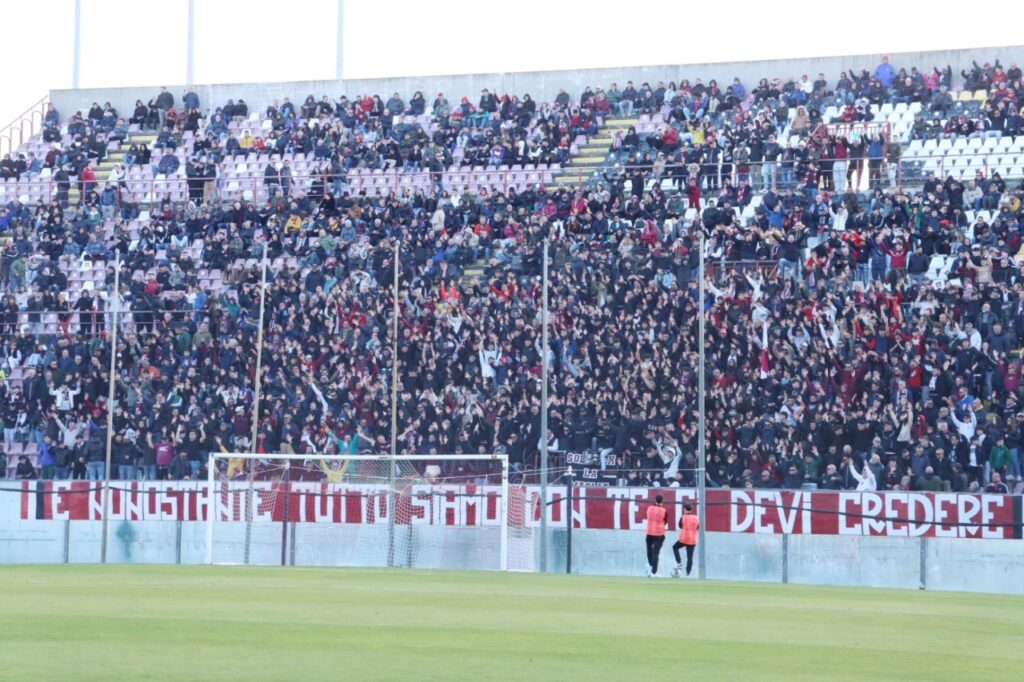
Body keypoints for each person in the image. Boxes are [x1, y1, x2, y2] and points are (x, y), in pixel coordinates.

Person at [672, 503, 699, 578]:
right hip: (692, 539)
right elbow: (697, 527)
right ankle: (688, 574)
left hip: (684, 539)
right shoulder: (696, 518)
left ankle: (679, 563)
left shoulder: (683, 517)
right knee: (690, 557)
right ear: (691, 509)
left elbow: (680, 526)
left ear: (685, 510)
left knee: (675, 547)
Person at [644, 494, 668, 577]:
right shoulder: (664, 510)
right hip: (659, 533)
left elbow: (647, 516)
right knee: (656, 552)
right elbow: (665, 521)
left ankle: (650, 566)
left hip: (649, 532)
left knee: (649, 549)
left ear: (655, 500)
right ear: (662, 501)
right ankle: (654, 572)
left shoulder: (649, 508)